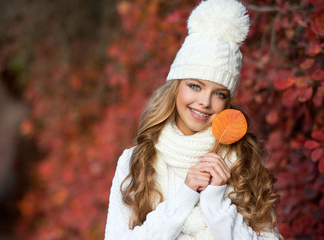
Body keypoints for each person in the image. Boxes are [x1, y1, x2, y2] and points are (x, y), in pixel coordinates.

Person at [104, 0, 281, 239]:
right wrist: (184, 197)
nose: (205, 102)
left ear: (227, 102)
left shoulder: (244, 162)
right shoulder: (134, 161)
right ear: (176, 87)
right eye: (195, 86)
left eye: (219, 93)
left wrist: (216, 203)